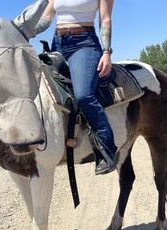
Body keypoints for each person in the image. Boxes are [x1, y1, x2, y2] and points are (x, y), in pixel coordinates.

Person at [34, 0, 117, 175]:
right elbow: (46, 18)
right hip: (57, 43)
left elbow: (106, 20)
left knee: (83, 95)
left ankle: (106, 150)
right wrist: (26, 29)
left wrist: (107, 52)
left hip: (85, 43)